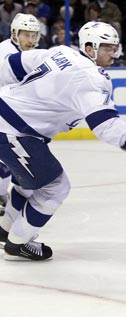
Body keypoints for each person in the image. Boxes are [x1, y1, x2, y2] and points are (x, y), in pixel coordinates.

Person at [0, 21, 126, 260]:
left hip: (14, 124)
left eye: (115, 47)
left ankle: (4, 229)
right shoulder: (90, 77)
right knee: (55, 188)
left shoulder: (61, 51)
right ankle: (16, 243)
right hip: (13, 130)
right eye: (108, 48)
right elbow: (105, 124)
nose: (114, 53)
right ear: (90, 48)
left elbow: (11, 65)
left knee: (29, 182)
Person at [0, 13, 40, 217]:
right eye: (26, 35)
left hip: (9, 116)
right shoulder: (4, 53)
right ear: (15, 34)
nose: (31, 40)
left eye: (34, 35)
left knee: (8, 161)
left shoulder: (29, 54)